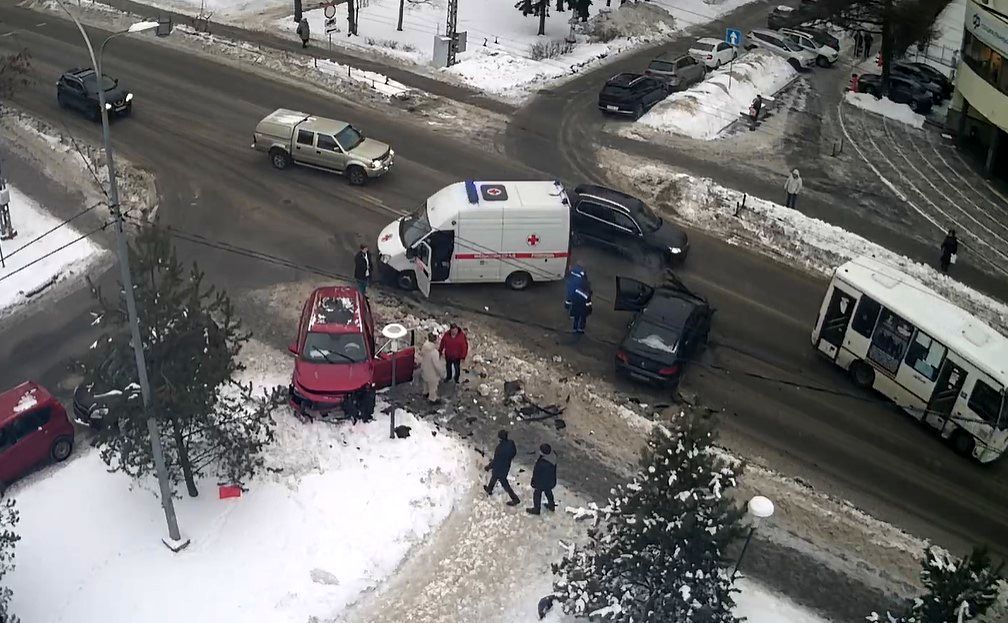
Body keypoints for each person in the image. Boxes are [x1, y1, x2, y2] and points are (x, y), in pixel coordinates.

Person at [484, 429, 520, 506]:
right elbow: (514, 453)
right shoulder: (511, 443)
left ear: (500, 438)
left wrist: (488, 466)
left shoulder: (499, 448)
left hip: (499, 467)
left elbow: (495, 460)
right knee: (494, 477)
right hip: (506, 466)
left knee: (503, 482)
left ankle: (515, 498)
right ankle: (489, 489)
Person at [526, 443, 557, 515]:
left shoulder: (542, 463)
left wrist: (533, 482)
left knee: (537, 494)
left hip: (542, 482)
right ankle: (551, 506)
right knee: (548, 492)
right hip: (551, 480)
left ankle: (536, 509)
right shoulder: (553, 457)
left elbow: (536, 473)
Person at [418, 333, 442, 403]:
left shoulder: (424, 347)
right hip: (432, 373)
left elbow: (421, 356)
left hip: (424, 370)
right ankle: (432, 399)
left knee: (426, 384)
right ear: (435, 341)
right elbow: (436, 365)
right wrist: (440, 373)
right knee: (433, 388)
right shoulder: (434, 352)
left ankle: (425, 393)